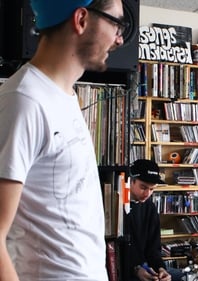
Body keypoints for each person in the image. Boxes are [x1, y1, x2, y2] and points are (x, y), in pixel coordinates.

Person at [0, 0, 126, 280]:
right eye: (115, 23)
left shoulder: (64, 96)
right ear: (81, 19)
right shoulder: (24, 101)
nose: (119, 39)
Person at [123, 159, 183, 281]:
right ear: (131, 181)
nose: (147, 194)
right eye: (143, 187)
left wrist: (161, 268)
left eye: (152, 189)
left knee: (180, 276)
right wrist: (135, 269)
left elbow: (154, 248)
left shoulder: (149, 206)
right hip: (124, 269)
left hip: (146, 268)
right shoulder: (116, 204)